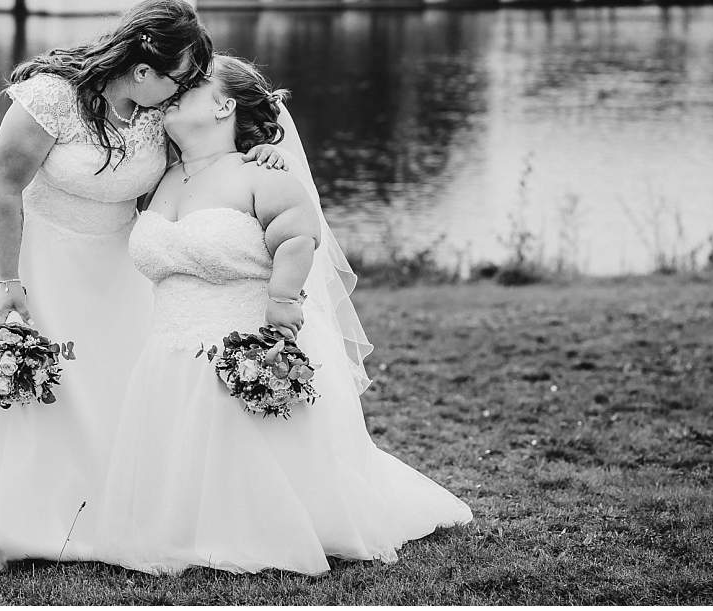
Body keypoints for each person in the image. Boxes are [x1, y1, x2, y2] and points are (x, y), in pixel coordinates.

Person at [0, 0, 284, 577]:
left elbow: (209, 153)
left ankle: (99, 516)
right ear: (142, 66)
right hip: (35, 257)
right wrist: (8, 280)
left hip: (115, 268)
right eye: (179, 76)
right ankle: (11, 517)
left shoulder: (157, 112)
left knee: (104, 389)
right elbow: (2, 186)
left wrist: (259, 153)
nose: (185, 89)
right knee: (31, 386)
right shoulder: (53, 96)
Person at [77, 55, 472, 575]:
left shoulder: (261, 173)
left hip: (242, 340)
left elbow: (297, 235)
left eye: (193, 86)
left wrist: (283, 299)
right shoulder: (157, 177)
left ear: (224, 106)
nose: (175, 92)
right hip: (168, 348)